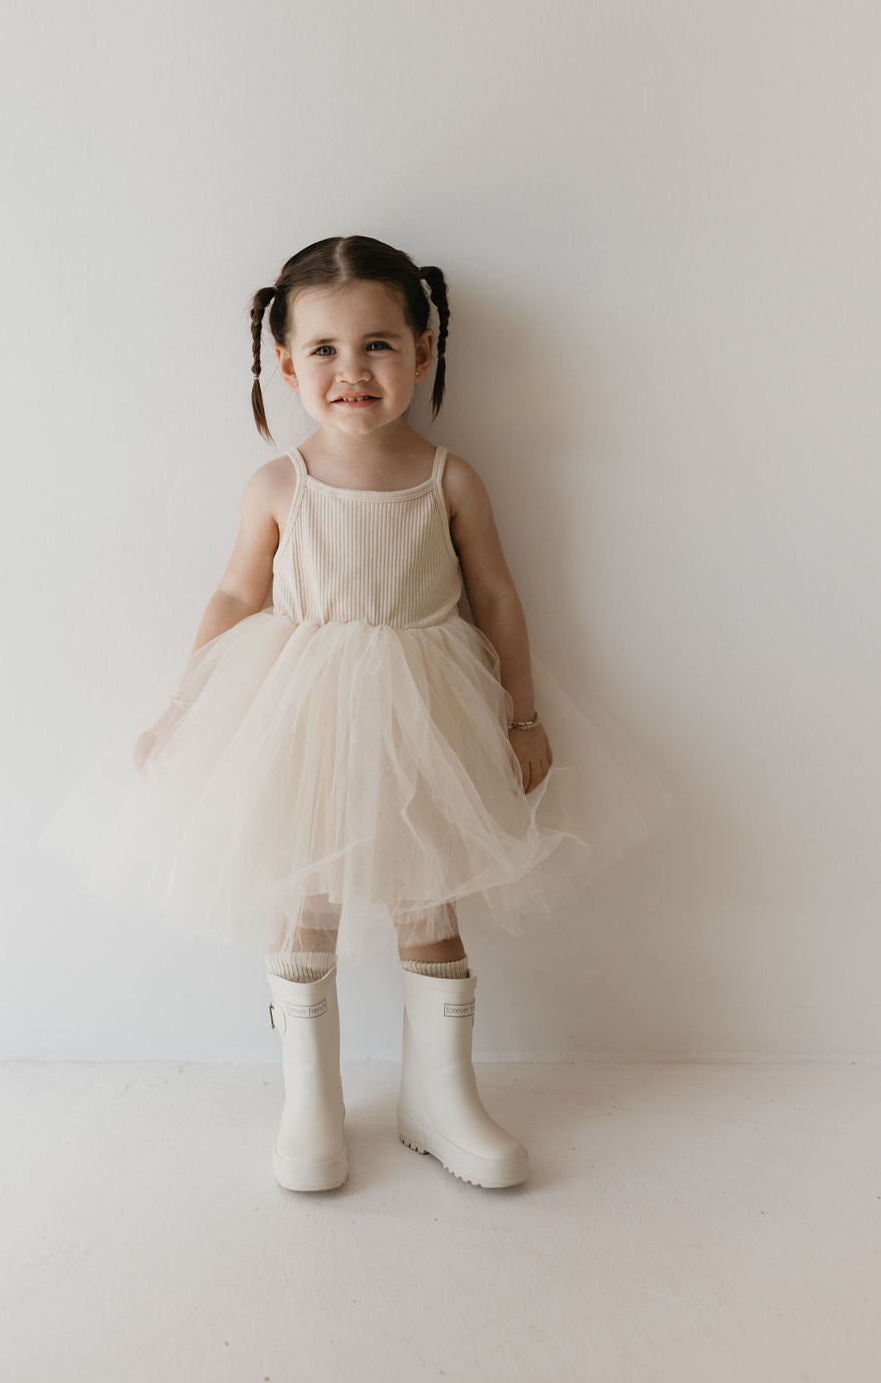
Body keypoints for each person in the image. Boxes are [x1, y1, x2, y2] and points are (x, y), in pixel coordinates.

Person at [38, 234, 678, 1194]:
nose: (353, 371)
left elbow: (498, 599)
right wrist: (188, 702)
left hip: (428, 708)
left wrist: (524, 716)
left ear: (424, 352)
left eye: (379, 344)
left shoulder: (449, 478)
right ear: (288, 365)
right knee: (305, 902)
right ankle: (312, 1103)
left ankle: (439, 1096)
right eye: (325, 351)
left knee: (432, 895)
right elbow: (233, 598)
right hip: (297, 715)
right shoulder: (279, 485)